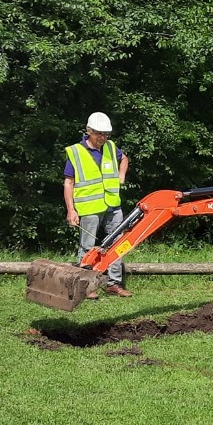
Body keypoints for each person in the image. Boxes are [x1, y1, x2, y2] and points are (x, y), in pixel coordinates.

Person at [63, 112, 131, 297]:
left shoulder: (110, 147)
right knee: (87, 247)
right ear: (89, 131)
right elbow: (69, 182)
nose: (103, 137)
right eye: (99, 134)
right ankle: (85, 286)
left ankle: (114, 284)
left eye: (106, 134)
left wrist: (121, 174)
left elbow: (124, 158)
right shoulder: (76, 152)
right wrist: (71, 210)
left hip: (112, 204)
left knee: (118, 243)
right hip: (89, 207)